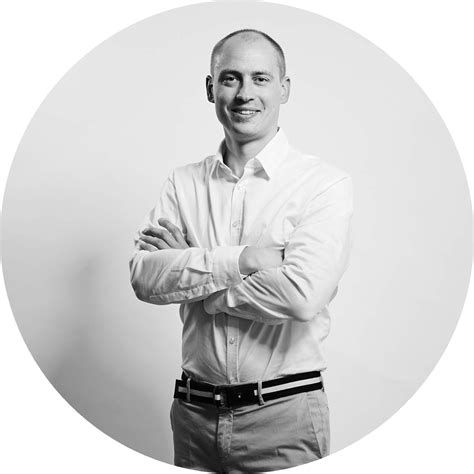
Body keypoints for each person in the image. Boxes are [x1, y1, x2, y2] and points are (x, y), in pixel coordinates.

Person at [129, 29, 353, 472]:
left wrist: (201, 281)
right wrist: (245, 259)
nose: (244, 93)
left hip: (284, 417)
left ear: (284, 89)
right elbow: (144, 278)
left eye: (260, 78)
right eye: (230, 78)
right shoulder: (182, 183)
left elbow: (301, 297)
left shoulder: (323, 185)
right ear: (210, 88)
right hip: (193, 414)